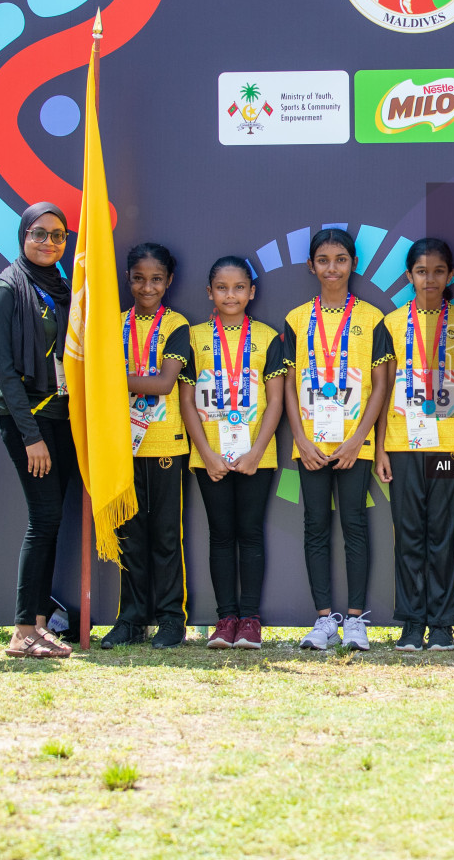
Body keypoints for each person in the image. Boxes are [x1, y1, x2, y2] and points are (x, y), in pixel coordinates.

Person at [283, 229, 393, 652]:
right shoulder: (296, 319)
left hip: (355, 446)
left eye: (341, 259)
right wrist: (300, 438)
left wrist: (358, 440)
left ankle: (355, 620)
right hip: (309, 445)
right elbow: (288, 386)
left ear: (353, 265)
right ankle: (323, 619)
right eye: (324, 260)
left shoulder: (371, 318)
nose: (332, 268)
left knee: (354, 525)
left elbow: (381, 385)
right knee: (315, 527)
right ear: (311, 266)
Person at [178, 257, 287, 650]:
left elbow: (275, 402)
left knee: (251, 534)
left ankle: (251, 620)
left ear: (252, 291)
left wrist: (257, 451)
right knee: (221, 536)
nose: (231, 294)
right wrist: (205, 452)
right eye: (222, 288)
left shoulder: (268, 337)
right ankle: (225, 619)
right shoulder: (192, 337)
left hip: (257, 455)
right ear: (209, 292)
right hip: (209, 456)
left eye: (239, 287)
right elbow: (187, 400)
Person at [0, 203, 76, 659]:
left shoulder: (61, 288)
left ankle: (40, 624)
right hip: (27, 422)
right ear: (23, 235)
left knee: (52, 520)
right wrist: (31, 437)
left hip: (62, 418)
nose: (49, 243)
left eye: (57, 236)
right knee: (43, 520)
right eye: (39, 234)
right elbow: (3, 373)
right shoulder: (7, 290)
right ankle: (22, 631)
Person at [375, 239, 454, 651]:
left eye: (438, 271)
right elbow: (382, 390)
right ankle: (411, 621)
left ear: (450, 275)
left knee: (443, 533)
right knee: (410, 533)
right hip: (402, 441)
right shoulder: (392, 324)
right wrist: (380, 447)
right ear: (409, 276)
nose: (430, 279)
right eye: (422, 271)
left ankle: (441, 622)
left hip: (450, 442)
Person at [101, 244, 193, 650]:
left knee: (166, 536)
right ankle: (132, 618)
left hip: (165, 444)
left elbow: (162, 384)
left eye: (156, 279)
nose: (147, 286)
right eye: (139, 278)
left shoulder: (177, 324)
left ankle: (172, 618)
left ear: (169, 281)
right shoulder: (113, 323)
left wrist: (108, 378)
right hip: (123, 445)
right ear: (128, 279)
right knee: (130, 535)